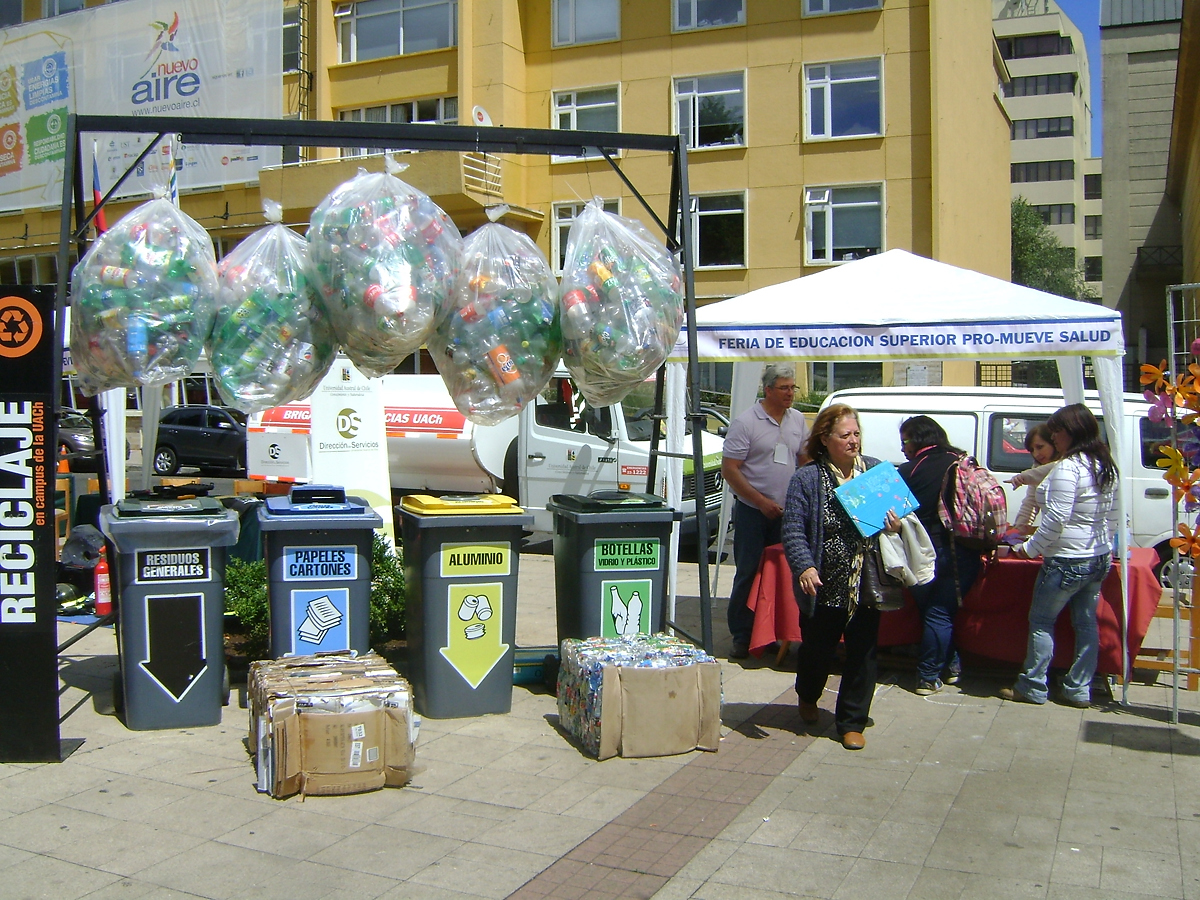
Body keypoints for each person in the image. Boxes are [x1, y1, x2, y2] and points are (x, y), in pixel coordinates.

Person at [782, 404, 898, 751]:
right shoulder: (807, 478)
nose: (853, 441)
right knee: (817, 651)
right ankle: (808, 694)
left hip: (865, 580)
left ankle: (851, 721)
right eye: (845, 435)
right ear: (825, 438)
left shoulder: (873, 471)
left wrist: (894, 523)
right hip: (823, 584)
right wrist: (805, 566)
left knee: (863, 652)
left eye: (856, 434)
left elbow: (896, 521)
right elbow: (792, 529)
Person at [1000, 403, 1119, 708]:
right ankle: (1079, 689)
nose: (1053, 439)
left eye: (1054, 433)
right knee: (1086, 624)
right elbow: (1114, 515)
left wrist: (1029, 549)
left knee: (1041, 621)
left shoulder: (1070, 467)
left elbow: (1056, 519)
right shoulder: (1104, 463)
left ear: (1067, 433)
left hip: (1067, 559)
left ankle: (1032, 686)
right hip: (1097, 556)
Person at [721, 364, 811, 659]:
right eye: (784, 388)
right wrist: (760, 501)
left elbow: (805, 459)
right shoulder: (746, 422)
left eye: (793, 388)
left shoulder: (797, 420)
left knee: (781, 574)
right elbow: (730, 470)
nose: (790, 394)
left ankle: (772, 632)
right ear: (768, 390)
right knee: (748, 572)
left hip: (787, 512)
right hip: (752, 511)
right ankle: (742, 635)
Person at [897, 416, 983, 696]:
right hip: (966, 551)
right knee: (941, 612)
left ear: (918, 439)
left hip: (925, 552)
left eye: (905, 441)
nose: (903, 448)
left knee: (935, 611)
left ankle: (927, 676)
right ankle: (952, 666)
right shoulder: (963, 461)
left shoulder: (909, 471)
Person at [1008, 424, 1060, 535]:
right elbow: (1031, 502)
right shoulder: (1036, 468)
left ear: (1054, 444)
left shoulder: (1067, 465)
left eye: (1040, 447)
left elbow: (1056, 467)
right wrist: (1018, 530)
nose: (1036, 454)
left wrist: (1023, 477)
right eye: (1032, 450)